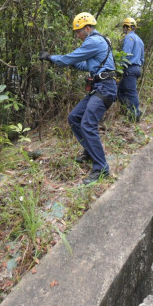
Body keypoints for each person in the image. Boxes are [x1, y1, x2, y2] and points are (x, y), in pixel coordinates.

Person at [39, 12, 117, 185]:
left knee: (88, 124)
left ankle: (101, 168)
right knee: (74, 118)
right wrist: (69, 61)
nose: (78, 35)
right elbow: (84, 64)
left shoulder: (94, 41)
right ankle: (90, 152)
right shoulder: (96, 42)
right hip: (99, 87)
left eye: (78, 32)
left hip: (105, 87)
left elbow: (68, 59)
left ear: (87, 28)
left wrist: (51, 58)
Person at [117, 17, 144, 122]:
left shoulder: (129, 38)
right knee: (120, 91)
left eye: (124, 27)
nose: (124, 29)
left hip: (130, 68)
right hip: (137, 68)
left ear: (127, 27)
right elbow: (142, 58)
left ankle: (135, 114)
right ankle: (128, 110)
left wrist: (119, 68)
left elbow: (125, 54)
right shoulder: (140, 40)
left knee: (131, 92)